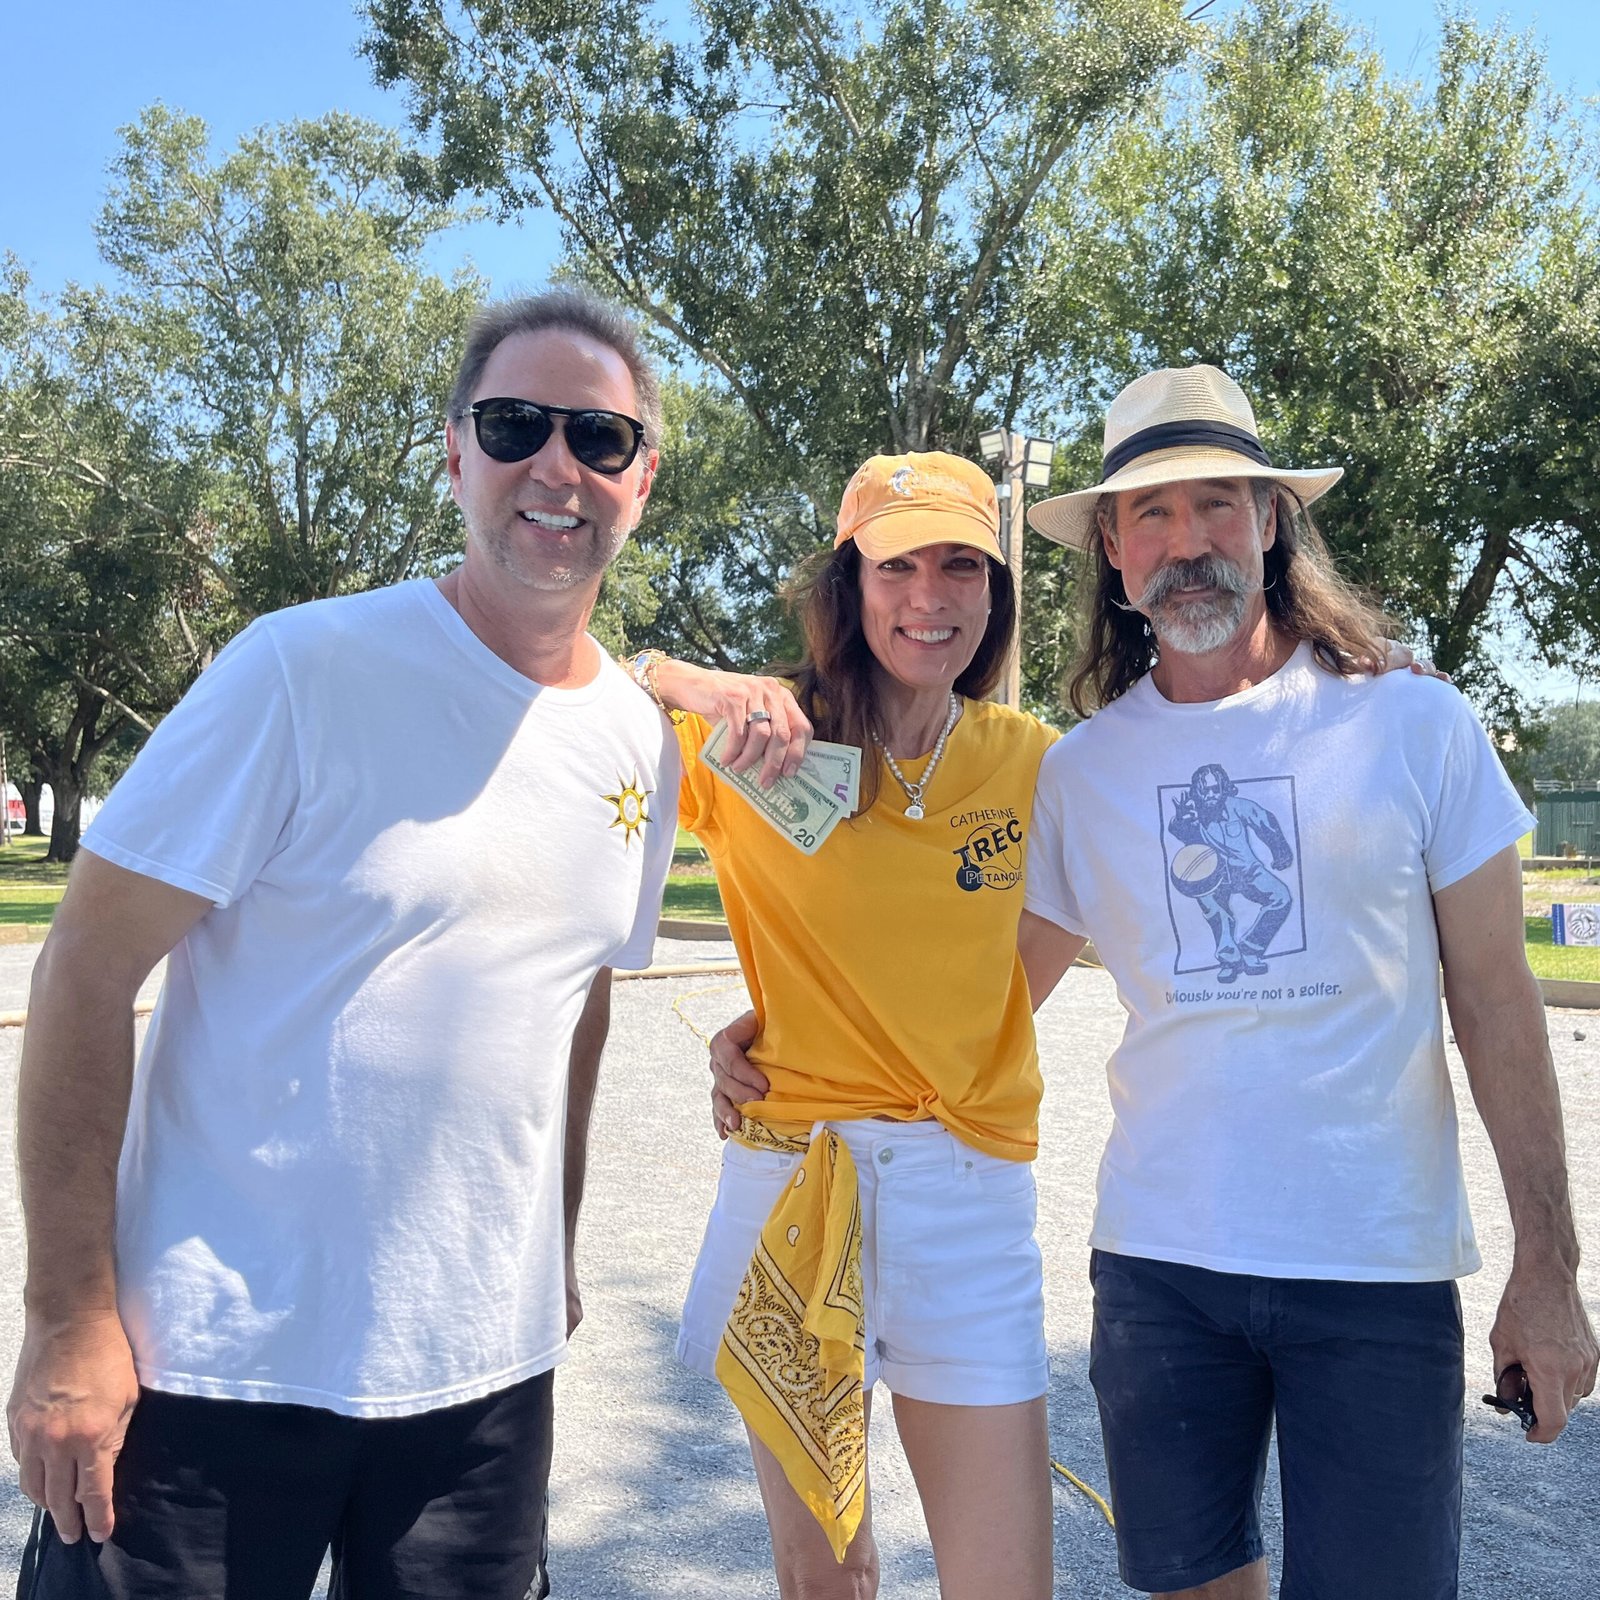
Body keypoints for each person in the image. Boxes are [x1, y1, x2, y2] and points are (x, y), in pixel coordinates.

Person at [6, 290, 677, 1599]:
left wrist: (554, 1253)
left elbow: (576, 1004)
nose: (557, 465)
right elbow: (85, 963)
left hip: (482, 1395)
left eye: (598, 437)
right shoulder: (299, 671)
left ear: (640, 479)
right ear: (454, 452)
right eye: (515, 425)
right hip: (211, 1368)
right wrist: (68, 1318)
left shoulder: (640, 743)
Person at [1012, 364, 1599, 1599]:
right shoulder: (1080, 773)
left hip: (1374, 1270)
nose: (1187, 542)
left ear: (1270, 522)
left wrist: (1547, 1269)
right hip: (1159, 1271)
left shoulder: (1414, 723)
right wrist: (787, 1035)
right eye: (1152, 513)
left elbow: (1498, 1002)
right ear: (1112, 550)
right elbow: (985, 1005)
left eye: (1216, 504)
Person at [634, 451, 1060, 1599]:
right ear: (848, 585)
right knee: (828, 1576)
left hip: (966, 1195)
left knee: (1006, 1583)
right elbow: (582, 689)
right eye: (896, 566)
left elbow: (1023, 958)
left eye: (960, 564)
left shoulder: (1031, 762)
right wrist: (688, 678)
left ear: (994, 590)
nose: (930, 595)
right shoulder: (757, 746)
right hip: (793, 1181)